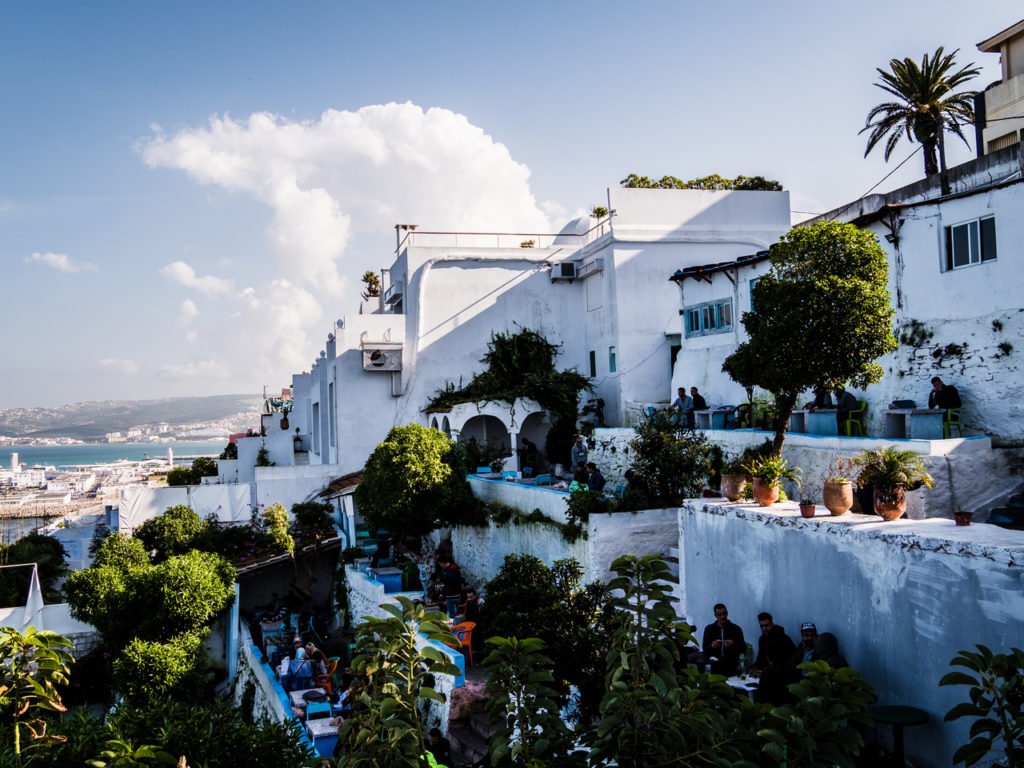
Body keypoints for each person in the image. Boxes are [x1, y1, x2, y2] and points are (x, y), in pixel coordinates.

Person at [701, 603, 745, 676]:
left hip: (732, 667)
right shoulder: (709, 629)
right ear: (715, 615)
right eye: (719, 614)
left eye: (724, 614)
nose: (722, 617)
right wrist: (712, 646)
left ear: (727, 614)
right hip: (715, 668)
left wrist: (733, 644)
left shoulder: (736, 629)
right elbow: (705, 650)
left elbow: (743, 648)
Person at [750, 612, 796, 676]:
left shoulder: (783, 639)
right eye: (761, 626)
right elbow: (760, 658)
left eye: (766, 625)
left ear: (772, 624)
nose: (764, 629)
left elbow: (789, 659)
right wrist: (754, 668)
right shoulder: (762, 639)